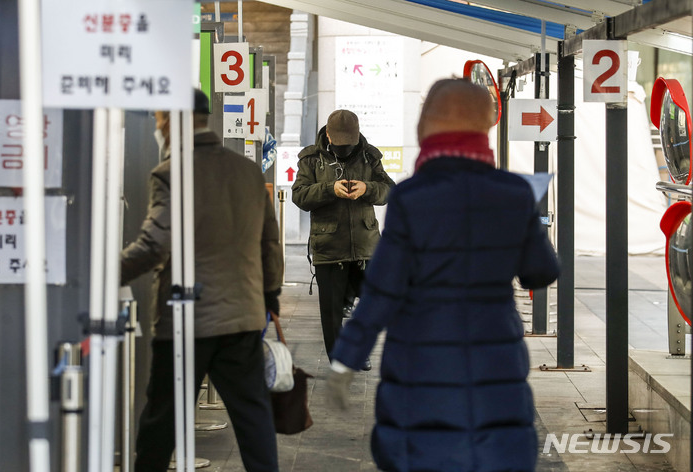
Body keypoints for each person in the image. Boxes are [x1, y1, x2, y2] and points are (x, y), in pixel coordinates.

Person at [326, 79, 560, 472]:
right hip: (495, 363)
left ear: (426, 128)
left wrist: (346, 359)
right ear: (485, 126)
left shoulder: (411, 197)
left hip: (420, 366)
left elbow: (382, 291)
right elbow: (541, 272)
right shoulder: (514, 193)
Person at [121, 90, 283, 472]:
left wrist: (103, 275)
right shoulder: (247, 171)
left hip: (185, 319)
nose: (158, 128)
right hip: (241, 315)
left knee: (161, 423)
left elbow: (153, 244)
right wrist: (269, 296)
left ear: (170, 121)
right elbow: (269, 241)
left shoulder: (169, 173)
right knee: (253, 420)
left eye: (160, 120)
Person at [291, 109, 395, 371]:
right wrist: (330, 189)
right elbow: (300, 196)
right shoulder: (311, 159)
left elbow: (389, 190)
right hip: (329, 246)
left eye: (349, 143)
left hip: (365, 245)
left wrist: (367, 188)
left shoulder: (369, 156)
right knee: (332, 312)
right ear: (328, 135)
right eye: (339, 144)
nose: (345, 149)